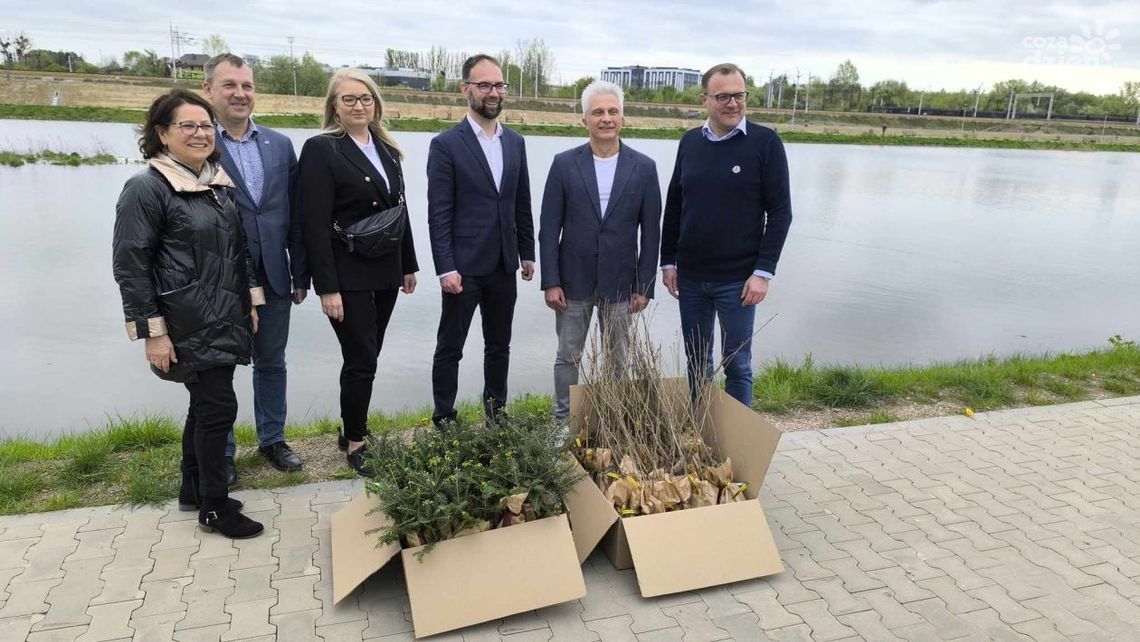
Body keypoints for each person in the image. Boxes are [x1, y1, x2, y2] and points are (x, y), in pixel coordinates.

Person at [113, 89, 264, 539]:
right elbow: (131, 264)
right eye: (188, 126)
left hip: (221, 313)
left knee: (204, 407)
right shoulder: (147, 187)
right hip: (184, 320)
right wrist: (152, 333)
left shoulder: (215, 181)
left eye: (205, 126)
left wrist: (250, 302)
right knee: (219, 407)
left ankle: (192, 490)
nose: (200, 134)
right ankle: (215, 507)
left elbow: (238, 250)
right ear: (161, 133)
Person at [298, 69, 418, 476]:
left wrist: (408, 264)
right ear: (334, 105)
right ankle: (356, 442)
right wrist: (326, 288)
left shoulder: (386, 149)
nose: (358, 106)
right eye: (348, 99)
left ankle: (350, 425)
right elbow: (313, 224)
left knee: (367, 354)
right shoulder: (322, 149)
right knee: (361, 356)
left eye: (365, 99)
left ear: (376, 105)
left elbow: (399, 211)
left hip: (385, 270)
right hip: (346, 272)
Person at [660, 63, 793, 407]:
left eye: (739, 95)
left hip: (739, 282)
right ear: (705, 99)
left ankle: (739, 447)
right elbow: (675, 205)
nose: (733, 103)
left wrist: (763, 273)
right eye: (723, 96)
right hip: (690, 280)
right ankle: (703, 437)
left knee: (738, 366)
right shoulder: (690, 142)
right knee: (697, 364)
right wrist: (668, 261)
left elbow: (780, 213)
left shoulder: (765, 143)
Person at [202, 53, 308, 483]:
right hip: (221, 278)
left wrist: (301, 271)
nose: (240, 93)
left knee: (272, 361)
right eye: (229, 85)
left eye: (246, 85)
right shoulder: (198, 142)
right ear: (208, 90)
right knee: (221, 364)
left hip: (275, 273)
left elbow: (295, 214)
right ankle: (222, 452)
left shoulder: (281, 145)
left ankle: (272, 439)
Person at [539, 80, 661, 422]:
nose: (606, 118)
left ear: (623, 118)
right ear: (585, 121)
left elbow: (651, 232)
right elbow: (549, 229)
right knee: (567, 356)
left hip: (622, 283)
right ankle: (563, 422)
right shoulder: (564, 164)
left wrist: (645, 286)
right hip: (572, 281)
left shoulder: (644, 167)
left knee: (618, 359)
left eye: (612, 111)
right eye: (598, 112)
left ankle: (614, 421)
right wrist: (551, 281)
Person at [426, 54, 535, 426]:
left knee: (499, 344)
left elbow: (522, 201)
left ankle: (496, 411)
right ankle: (444, 415)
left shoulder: (515, 142)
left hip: (504, 262)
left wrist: (527, 253)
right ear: (466, 90)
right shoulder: (446, 145)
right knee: (450, 346)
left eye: (499, 85)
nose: (493, 92)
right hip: (464, 266)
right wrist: (445, 267)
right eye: (485, 85)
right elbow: (438, 212)